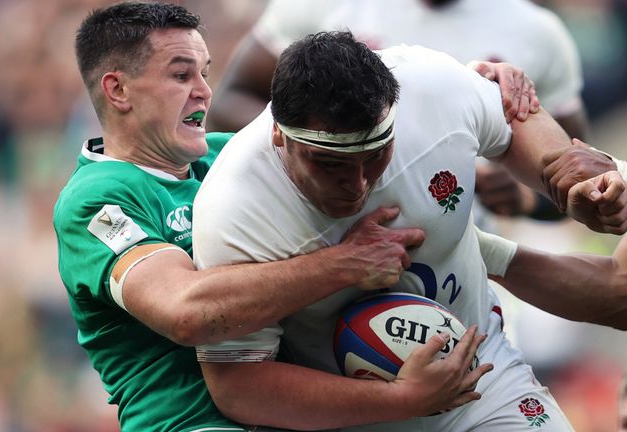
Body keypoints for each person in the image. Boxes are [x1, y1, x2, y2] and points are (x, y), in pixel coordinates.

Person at [54, 3, 533, 431]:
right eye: (181, 76)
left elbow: (341, 131)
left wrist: (474, 88)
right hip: (193, 422)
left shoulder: (227, 159)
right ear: (117, 90)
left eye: (205, 72)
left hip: (294, 411)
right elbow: (186, 311)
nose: (204, 91)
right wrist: (345, 264)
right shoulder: (97, 201)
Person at [191, 31, 625, 431]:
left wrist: (570, 182)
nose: (358, 184)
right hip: (351, 420)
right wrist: (400, 400)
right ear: (279, 137)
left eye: (377, 155)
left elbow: (519, 120)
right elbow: (237, 385)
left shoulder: (430, 89)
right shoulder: (234, 211)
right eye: (331, 164)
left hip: (485, 380)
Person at [207, 0, 586, 221]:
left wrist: (524, 198)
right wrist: (330, 151)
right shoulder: (319, 4)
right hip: (318, 237)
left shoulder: (538, 32)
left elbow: (573, 176)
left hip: (461, 265)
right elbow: (229, 103)